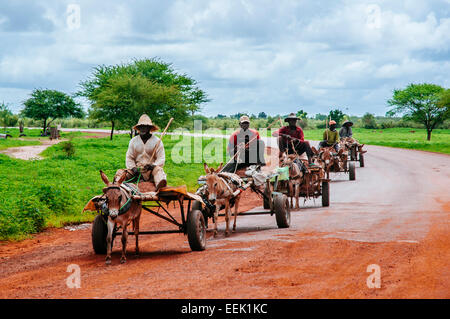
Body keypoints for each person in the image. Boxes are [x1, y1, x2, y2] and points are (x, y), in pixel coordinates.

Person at [118, 114, 167, 191]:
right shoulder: (133, 141)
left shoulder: (157, 141)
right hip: (137, 171)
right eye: (141, 126)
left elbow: (161, 158)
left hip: (151, 171)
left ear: (149, 128)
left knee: (159, 171)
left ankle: (160, 188)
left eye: (145, 126)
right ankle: (116, 188)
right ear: (138, 128)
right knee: (120, 174)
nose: (143, 129)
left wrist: (152, 166)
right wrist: (133, 168)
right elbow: (129, 157)